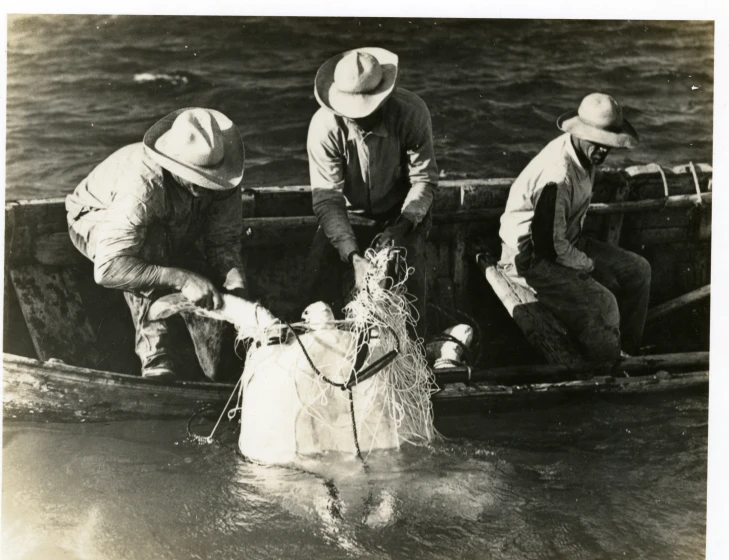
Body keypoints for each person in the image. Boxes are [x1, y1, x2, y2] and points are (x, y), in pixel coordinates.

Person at [66, 108, 249, 380]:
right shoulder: (142, 185)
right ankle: (155, 351)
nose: (207, 184)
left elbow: (223, 241)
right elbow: (108, 268)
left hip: (170, 223)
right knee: (149, 247)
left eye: (211, 178)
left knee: (217, 274)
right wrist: (184, 280)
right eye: (198, 177)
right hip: (97, 220)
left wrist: (237, 284)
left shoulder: (224, 178)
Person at [498, 93, 651, 362]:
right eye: (598, 142)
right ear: (580, 133)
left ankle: (629, 352)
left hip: (566, 242)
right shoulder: (559, 174)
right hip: (531, 258)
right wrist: (589, 266)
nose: (604, 150)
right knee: (605, 305)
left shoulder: (583, 153)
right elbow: (548, 247)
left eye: (609, 144)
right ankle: (604, 372)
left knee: (638, 271)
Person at [305, 47, 439, 337]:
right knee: (313, 280)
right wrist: (353, 255)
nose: (359, 118)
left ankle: (417, 346)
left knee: (412, 285)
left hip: (401, 213)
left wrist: (400, 228)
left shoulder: (412, 114)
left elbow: (424, 181)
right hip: (348, 215)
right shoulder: (324, 127)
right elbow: (328, 199)